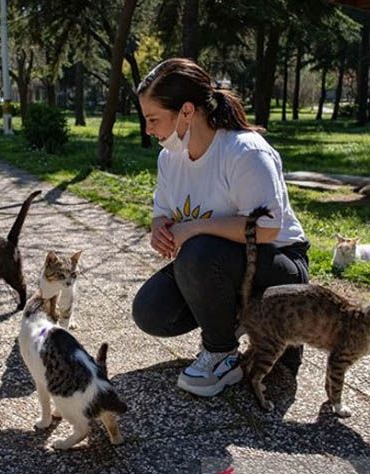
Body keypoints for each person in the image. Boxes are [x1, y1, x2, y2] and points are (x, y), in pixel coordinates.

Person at [131, 58, 310, 398]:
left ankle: (221, 353)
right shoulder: (169, 158)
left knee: (198, 250)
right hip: (220, 263)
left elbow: (268, 228)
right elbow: (162, 212)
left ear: (186, 112)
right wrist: (159, 228)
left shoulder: (245, 151)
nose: (148, 130)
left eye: (153, 119)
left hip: (280, 264)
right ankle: (240, 318)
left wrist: (194, 228)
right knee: (150, 312)